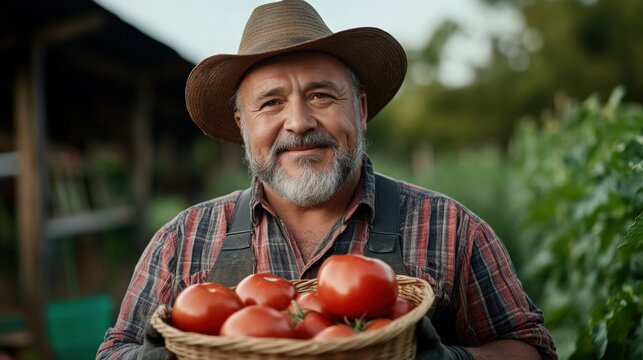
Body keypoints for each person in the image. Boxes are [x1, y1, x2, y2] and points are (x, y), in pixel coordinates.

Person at [97, 1, 557, 359]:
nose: (298, 122)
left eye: (320, 94)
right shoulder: (184, 241)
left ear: (359, 108)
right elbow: (113, 351)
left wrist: (451, 359)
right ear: (242, 124)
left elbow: (531, 347)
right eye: (271, 103)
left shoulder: (451, 229)